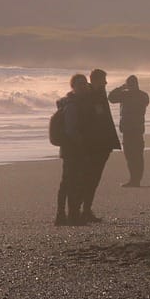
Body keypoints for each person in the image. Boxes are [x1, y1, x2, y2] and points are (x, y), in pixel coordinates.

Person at [73, 68, 121, 224]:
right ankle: (79, 210)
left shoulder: (99, 93)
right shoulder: (89, 96)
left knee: (93, 179)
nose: (106, 83)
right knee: (88, 178)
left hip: (102, 144)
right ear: (95, 80)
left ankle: (85, 210)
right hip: (93, 145)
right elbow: (89, 121)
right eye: (103, 80)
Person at [54, 73, 92, 226]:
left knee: (71, 182)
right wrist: (82, 144)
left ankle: (67, 214)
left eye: (85, 83)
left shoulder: (77, 102)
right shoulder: (71, 105)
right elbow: (71, 130)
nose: (83, 86)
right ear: (73, 86)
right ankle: (67, 215)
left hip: (72, 148)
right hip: (72, 149)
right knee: (71, 182)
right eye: (80, 84)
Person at [109, 75, 150, 187]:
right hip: (137, 129)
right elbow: (111, 98)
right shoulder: (143, 95)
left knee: (131, 156)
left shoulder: (125, 95)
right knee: (137, 155)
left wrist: (121, 88)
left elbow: (111, 97)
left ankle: (134, 180)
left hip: (129, 130)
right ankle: (136, 180)